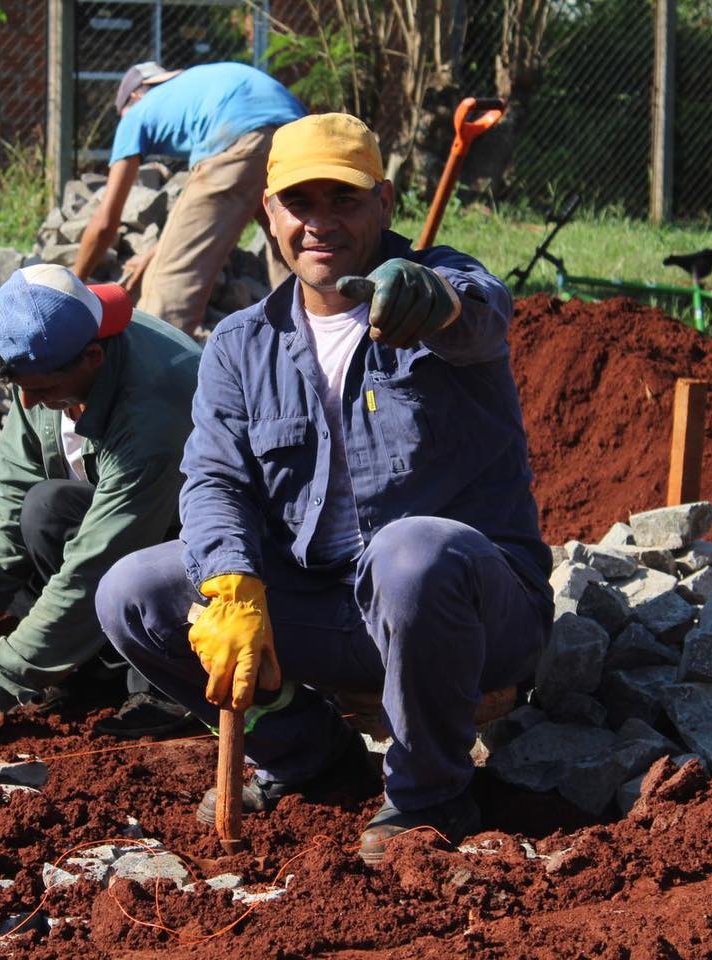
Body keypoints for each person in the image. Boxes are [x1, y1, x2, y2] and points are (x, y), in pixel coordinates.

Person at [96, 114, 553, 863]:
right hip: (324, 611)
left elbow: (481, 319)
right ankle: (310, 756)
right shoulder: (242, 346)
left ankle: (428, 799)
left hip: (465, 614)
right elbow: (214, 478)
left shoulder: (438, 285)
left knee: (411, 554)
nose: (320, 224)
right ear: (266, 212)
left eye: (342, 201)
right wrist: (233, 584)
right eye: (298, 204)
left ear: (385, 202)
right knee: (134, 592)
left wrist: (432, 300)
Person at [0, 263, 203, 752]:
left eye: (42, 389)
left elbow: (95, 562)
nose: (28, 402)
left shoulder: (151, 412)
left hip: (190, 550)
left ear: (92, 357)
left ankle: (158, 682)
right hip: (123, 504)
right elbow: (12, 475)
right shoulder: (54, 339)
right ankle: (79, 670)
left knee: (47, 510)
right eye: (19, 388)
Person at [71, 61, 305, 333]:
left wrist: (73, 285)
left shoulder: (136, 114)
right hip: (296, 134)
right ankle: (305, 344)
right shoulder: (199, 86)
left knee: (168, 288)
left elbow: (105, 222)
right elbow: (201, 226)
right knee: (292, 256)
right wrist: (155, 254)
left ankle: (157, 365)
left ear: (135, 96)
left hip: (239, 134)